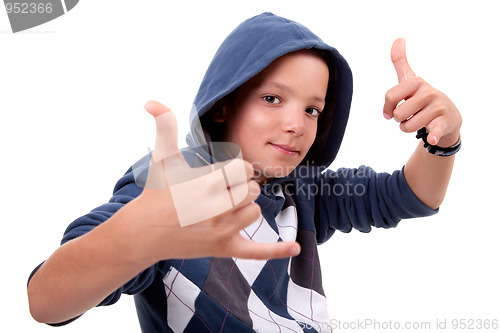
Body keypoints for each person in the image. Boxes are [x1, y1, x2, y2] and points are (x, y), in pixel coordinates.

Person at [27, 12, 462, 332]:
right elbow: (47, 301)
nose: (297, 124)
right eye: (273, 98)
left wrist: (443, 139)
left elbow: (411, 196)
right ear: (223, 103)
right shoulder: (173, 190)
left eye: (313, 109)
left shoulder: (302, 193)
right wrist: (138, 234)